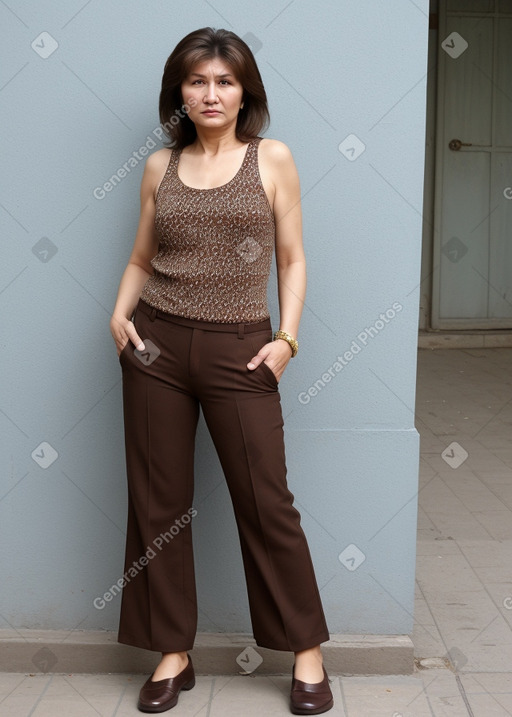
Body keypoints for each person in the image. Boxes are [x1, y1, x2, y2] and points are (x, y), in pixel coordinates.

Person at [110, 26, 333, 715]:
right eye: (197, 81)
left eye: (225, 81)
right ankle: (173, 654)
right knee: (158, 503)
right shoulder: (159, 167)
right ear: (180, 92)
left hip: (242, 348)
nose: (211, 94)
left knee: (267, 501)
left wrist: (287, 340)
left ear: (245, 91)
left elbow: (293, 259)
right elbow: (142, 257)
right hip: (156, 347)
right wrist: (119, 318)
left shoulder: (272, 159)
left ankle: (306, 654)